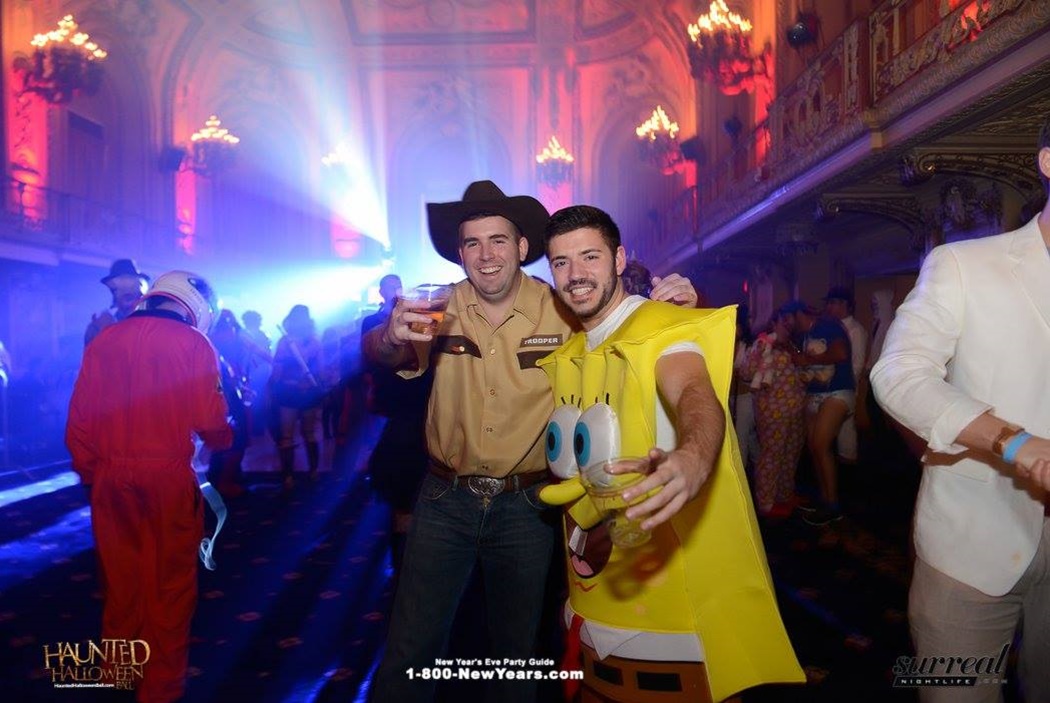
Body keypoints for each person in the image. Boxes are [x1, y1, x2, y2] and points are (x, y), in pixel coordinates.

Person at [363, 180, 697, 703]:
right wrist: (387, 337)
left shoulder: (560, 310)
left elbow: (627, 332)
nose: (486, 255)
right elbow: (383, 353)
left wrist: (676, 311)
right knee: (410, 648)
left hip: (526, 506)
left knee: (517, 655)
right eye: (473, 243)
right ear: (460, 253)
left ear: (521, 247)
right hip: (444, 499)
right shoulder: (437, 306)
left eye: (498, 240)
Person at [539, 204, 803, 702]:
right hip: (594, 606)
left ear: (619, 259)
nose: (576, 274)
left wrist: (694, 458)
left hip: (666, 625)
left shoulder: (663, 328)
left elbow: (693, 391)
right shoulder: (575, 350)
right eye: (561, 262)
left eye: (590, 256)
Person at [870, 119, 1050, 703]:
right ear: (1049, 163)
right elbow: (899, 374)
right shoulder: (963, 263)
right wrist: (1013, 442)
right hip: (970, 543)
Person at [66, 270, 232, 703]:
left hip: (110, 478)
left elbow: (79, 420)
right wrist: (225, 436)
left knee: (121, 584)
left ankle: (119, 677)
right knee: (170, 588)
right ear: (198, 307)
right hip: (166, 477)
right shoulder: (195, 343)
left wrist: (93, 475)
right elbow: (211, 420)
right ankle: (159, 691)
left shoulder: (105, 339)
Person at [360, 274, 431, 585]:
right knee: (404, 501)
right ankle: (402, 573)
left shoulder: (425, 323)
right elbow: (372, 352)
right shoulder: (374, 322)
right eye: (389, 287)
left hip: (426, 414)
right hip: (400, 414)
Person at [780, 300, 853, 525]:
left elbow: (840, 353)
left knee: (821, 445)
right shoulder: (804, 335)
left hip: (837, 391)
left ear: (797, 314)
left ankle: (833, 505)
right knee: (814, 448)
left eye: (787, 318)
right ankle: (824, 499)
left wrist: (808, 359)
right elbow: (805, 365)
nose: (785, 323)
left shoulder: (826, 325)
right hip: (815, 392)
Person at [746, 306, 806, 518]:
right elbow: (747, 371)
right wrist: (761, 351)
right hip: (773, 411)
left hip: (796, 410)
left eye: (792, 318)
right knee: (771, 456)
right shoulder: (763, 343)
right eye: (785, 319)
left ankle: (784, 495)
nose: (789, 323)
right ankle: (766, 503)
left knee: (791, 454)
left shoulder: (793, 344)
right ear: (774, 322)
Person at [270, 304, 324, 487]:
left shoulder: (286, 342)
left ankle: (289, 478)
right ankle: (312, 473)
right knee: (307, 433)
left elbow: (277, 370)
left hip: (292, 390)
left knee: (288, 435)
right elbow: (320, 369)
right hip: (304, 391)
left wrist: (272, 386)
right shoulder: (312, 342)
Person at [823, 286, 868, 464]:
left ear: (845, 305)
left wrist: (847, 385)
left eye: (832, 303)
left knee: (845, 430)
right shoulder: (833, 327)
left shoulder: (855, 329)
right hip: (831, 386)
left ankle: (848, 466)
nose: (829, 307)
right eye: (829, 303)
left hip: (845, 386)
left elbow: (857, 363)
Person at [84, 258, 150, 345]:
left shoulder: (152, 320)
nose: (126, 291)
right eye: (120, 286)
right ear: (113, 292)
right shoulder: (99, 325)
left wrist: (110, 332)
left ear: (139, 288)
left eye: (131, 284)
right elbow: (92, 352)